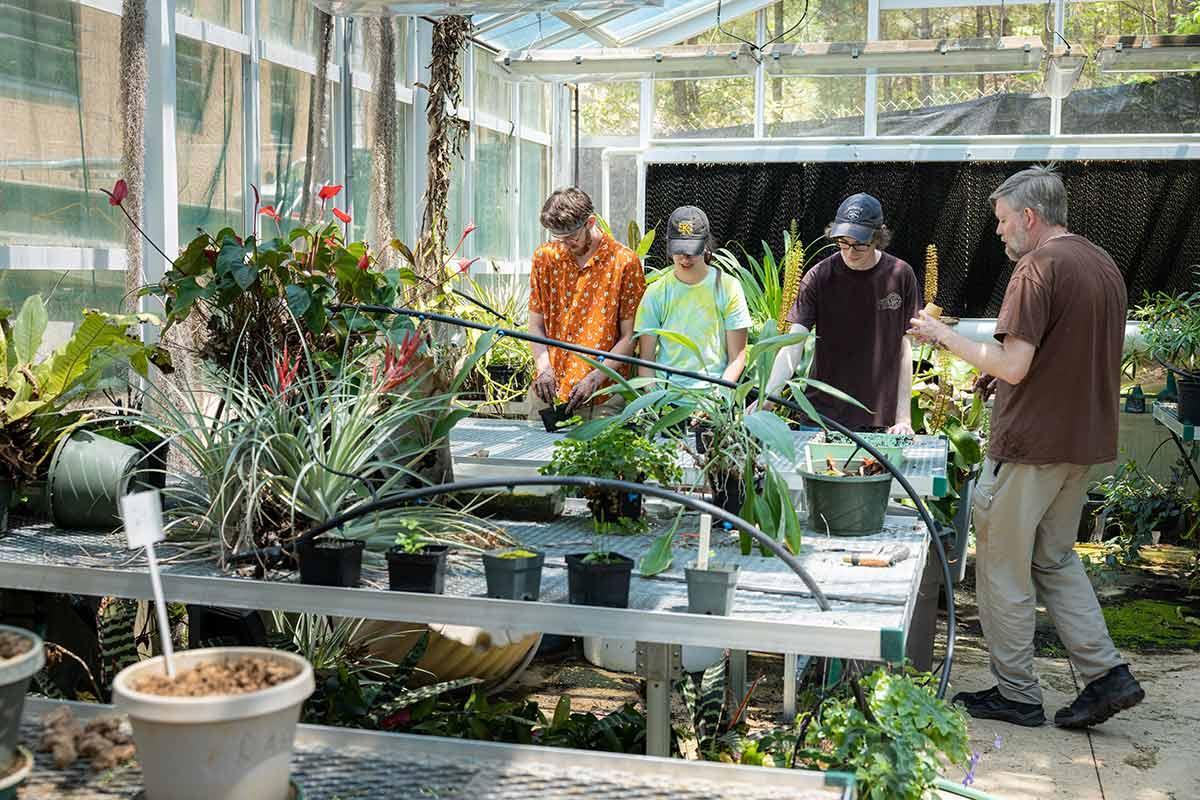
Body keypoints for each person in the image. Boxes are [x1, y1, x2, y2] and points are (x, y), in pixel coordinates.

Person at [908, 166, 1144, 729]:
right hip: (1082, 442)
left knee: (1001, 568)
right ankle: (1107, 674)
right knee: (1054, 558)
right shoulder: (1101, 263)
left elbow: (1014, 364)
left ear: (1030, 218)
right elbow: (1062, 354)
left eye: (1003, 220)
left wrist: (944, 336)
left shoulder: (1037, 267)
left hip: (1030, 446)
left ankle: (1016, 693)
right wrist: (1002, 375)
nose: (999, 232)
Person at [763, 193, 917, 432]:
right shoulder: (819, 276)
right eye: (843, 243)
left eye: (859, 244)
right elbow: (793, 344)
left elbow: (904, 349)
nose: (850, 252)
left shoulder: (900, 275)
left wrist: (903, 419)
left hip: (879, 421)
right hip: (821, 417)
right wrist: (768, 398)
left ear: (878, 238)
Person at [527, 187, 645, 418]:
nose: (564, 244)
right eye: (557, 237)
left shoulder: (623, 261)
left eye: (571, 237)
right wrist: (544, 368)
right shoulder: (545, 257)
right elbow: (535, 325)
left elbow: (629, 336)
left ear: (590, 222)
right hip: (550, 393)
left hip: (603, 396)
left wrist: (595, 377)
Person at [635, 206, 751, 389]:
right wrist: (655, 403)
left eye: (692, 250)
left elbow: (737, 357)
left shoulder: (728, 287)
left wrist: (718, 397)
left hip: (713, 398)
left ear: (705, 245)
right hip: (666, 399)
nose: (685, 258)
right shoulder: (656, 293)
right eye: (679, 250)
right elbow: (646, 361)